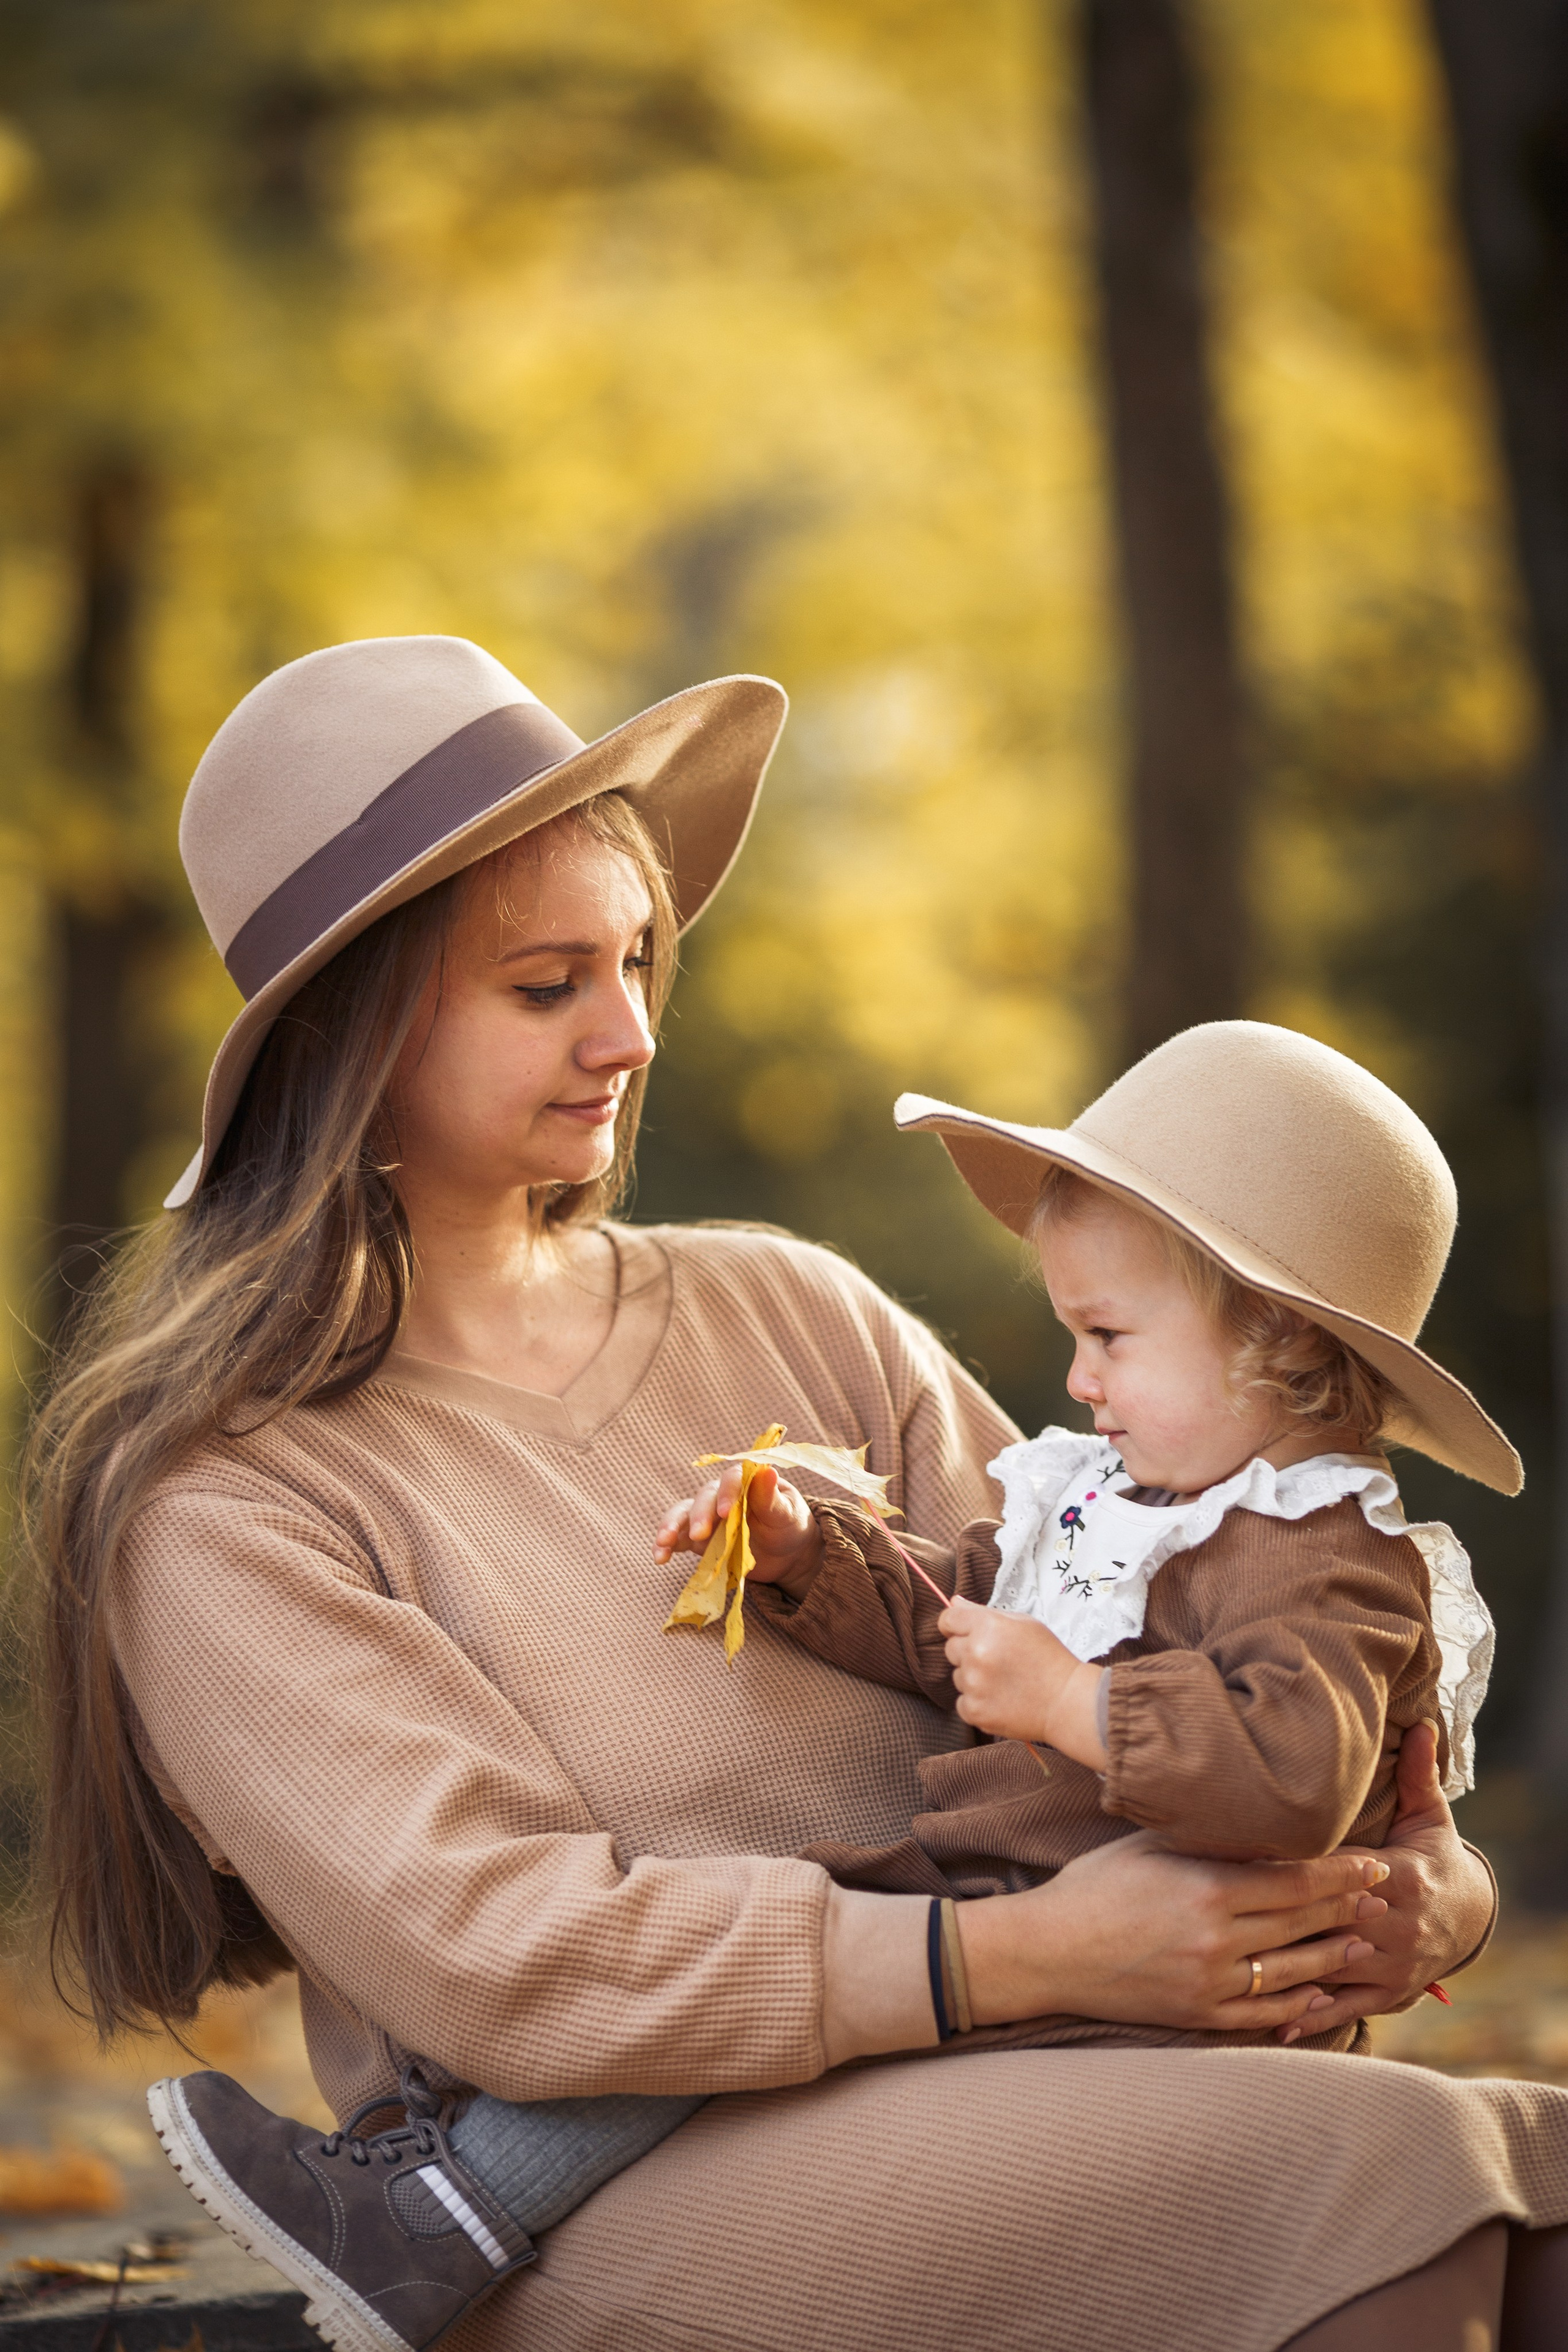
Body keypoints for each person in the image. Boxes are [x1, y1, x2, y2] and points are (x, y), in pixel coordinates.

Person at [24, 636, 1568, 2352]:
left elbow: (1188, 1620)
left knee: (1541, 2180)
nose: (628, 1030)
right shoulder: (233, 1507)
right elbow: (509, 1964)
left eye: (634, 960)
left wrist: (1428, 1886)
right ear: (350, 1030)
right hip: (602, 2199)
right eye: (547, 985)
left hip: (1044, 2075)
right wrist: (1024, 1960)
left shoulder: (791, 1305)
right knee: (1393, 2176)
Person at [648, 1024, 1509, 2063]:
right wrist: (809, 1553)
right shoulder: (1124, 1493)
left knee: (777, 2005)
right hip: (1014, 1934)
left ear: (1279, 1339)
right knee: (760, 1952)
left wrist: (1071, 1702)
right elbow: (968, 1623)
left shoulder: (1319, 1554)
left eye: (1106, 1336)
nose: (1078, 1380)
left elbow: (1292, 1774)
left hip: (1159, 2019)